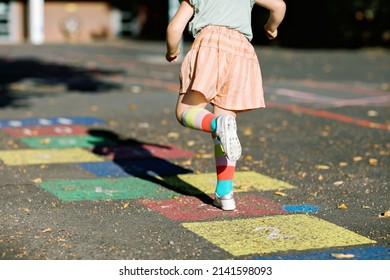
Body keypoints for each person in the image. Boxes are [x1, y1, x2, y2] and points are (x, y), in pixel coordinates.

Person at [165, 0, 286, 210]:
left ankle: (216, 124)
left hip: (209, 45)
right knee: (225, 125)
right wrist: (270, 28)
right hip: (241, 52)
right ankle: (225, 193)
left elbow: (174, 28)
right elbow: (279, 6)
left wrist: (172, 51)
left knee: (185, 112)